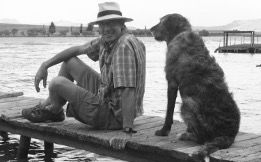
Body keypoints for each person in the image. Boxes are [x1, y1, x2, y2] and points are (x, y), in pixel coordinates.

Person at [22, 2, 146, 134]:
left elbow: (128, 88)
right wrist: (45, 65)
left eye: (111, 23)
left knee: (57, 83)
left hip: (115, 116)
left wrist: (127, 128)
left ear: (121, 24)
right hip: (109, 97)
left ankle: (52, 109)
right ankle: (52, 108)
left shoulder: (123, 46)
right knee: (69, 62)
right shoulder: (110, 40)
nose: (106, 28)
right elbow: (78, 49)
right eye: (103, 24)